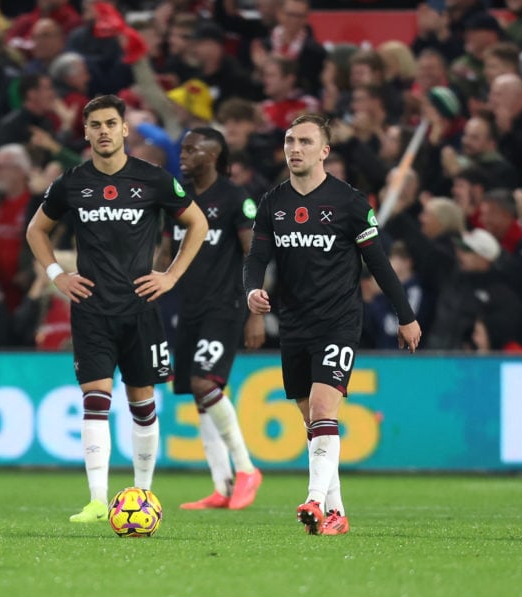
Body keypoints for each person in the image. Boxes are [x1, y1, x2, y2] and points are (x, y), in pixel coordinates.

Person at [26, 94, 208, 523]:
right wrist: (57, 275)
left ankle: (143, 494)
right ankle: (95, 499)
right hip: (90, 307)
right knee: (95, 401)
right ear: (86, 132)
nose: (104, 131)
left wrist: (171, 276)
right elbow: (37, 229)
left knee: (142, 403)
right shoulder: (72, 183)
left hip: (141, 307)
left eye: (111, 123)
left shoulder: (154, 179)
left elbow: (196, 222)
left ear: (125, 129)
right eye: (96, 125)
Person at [244, 114, 421, 536]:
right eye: (289, 140)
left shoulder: (350, 203)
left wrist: (406, 316)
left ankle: (313, 500)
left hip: (339, 322)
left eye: (305, 141)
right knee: (313, 424)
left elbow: (378, 263)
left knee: (324, 412)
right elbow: (256, 258)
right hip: (294, 324)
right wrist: (251, 292)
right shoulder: (273, 203)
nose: (295, 148)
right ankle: (337, 513)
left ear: (324, 151)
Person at [160, 128, 265, 511]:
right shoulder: (179, 202)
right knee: (197, 395)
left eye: (191, 149)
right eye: (182, 148)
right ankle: (221, 487)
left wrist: (256, 313)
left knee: (206, 380)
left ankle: (247, 470)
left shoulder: (235, 198)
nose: (183, 155)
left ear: (214, 155)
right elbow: (167, 255)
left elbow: (253, 256)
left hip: (225, 307)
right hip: (188, 309)